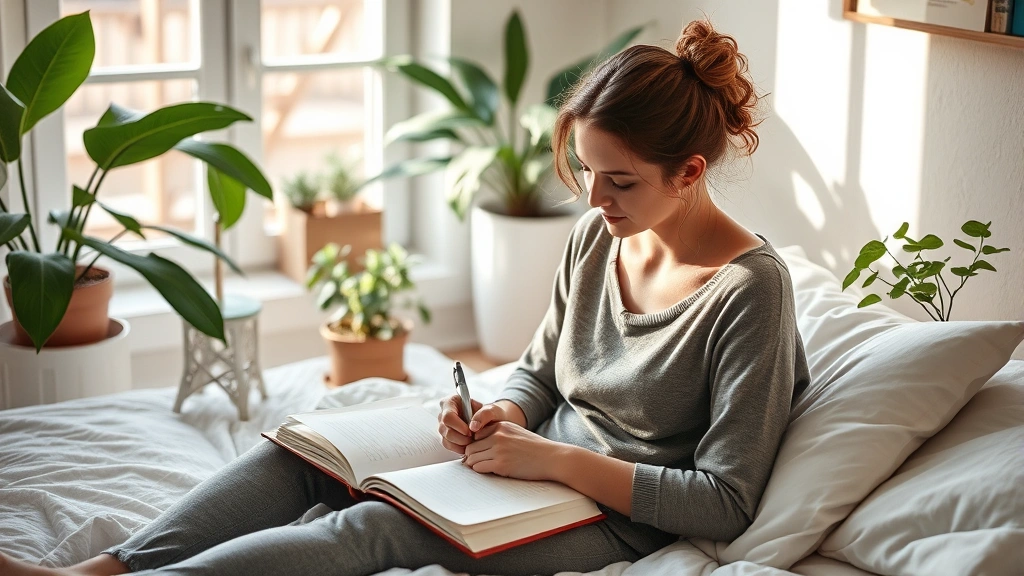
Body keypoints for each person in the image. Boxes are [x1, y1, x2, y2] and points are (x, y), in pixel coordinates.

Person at [0, 19, 809, 576]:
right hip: (522, 464)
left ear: (690, 173)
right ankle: (100, 567)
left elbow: (727, 501)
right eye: (589, 171)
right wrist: (508, 416)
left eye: (620, 179)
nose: (594, 197)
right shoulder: (605, 234)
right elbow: (535, 371)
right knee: (312, 453)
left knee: (375, 525)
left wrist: (551, 458)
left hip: (606, 515)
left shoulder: (750, 294)